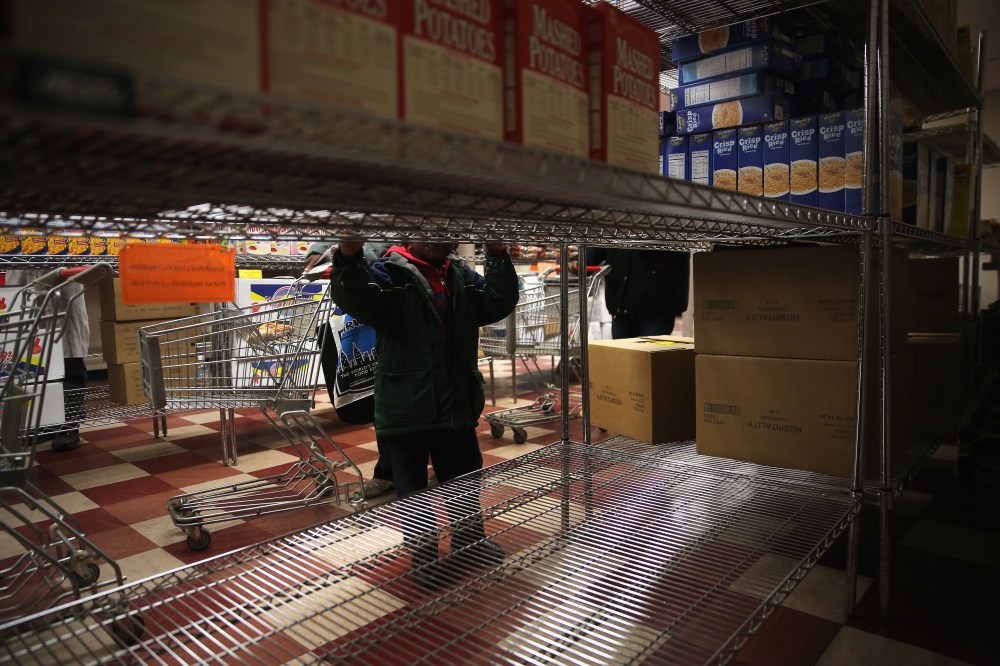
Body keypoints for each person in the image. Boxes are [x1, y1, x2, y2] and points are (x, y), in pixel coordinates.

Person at [329, 237, 519, 589]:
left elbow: (498, 301)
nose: (436, 237)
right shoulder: (388, 272)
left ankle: (469, 542)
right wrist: (349, 255)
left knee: (464, 477)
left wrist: (497, 255)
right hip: (406, 403)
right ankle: (423, 555)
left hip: (455, 398)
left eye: (444, 229)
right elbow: (355, 299)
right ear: (406, 233)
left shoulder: (460, 274)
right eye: (425, 228)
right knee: (413, 488)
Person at [304, 241, 397, 500]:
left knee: (409, 399)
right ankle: (389, 471)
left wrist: (357, 253)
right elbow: (339, 222)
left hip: (392, 286)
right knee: (381, 398)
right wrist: (319, 250)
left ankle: (430, 468)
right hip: (365, 287)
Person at [5, 268, 89, 452]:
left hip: (62, 282)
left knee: (69, 362)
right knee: (29, 365)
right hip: (23, 280)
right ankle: (40, 424)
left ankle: (68, 425)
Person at [573, 247, 690, 339]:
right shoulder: (617, 222)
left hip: (656, 303)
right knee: (624, 360)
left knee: (650, 359)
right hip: (622, 302)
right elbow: (600, 244)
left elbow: (672, 251)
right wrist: (582, 260)